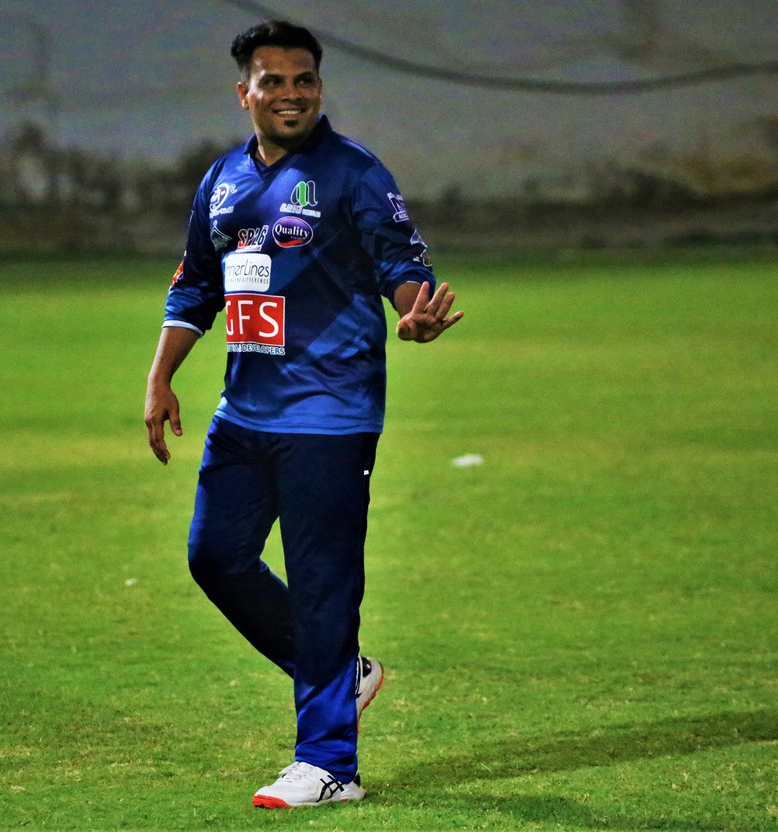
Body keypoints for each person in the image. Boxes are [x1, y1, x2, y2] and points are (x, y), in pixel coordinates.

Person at [144, 19, 463, 809]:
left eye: (304, 80)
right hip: (243, 413)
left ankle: (329, 766)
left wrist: (413, 311)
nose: (291, 94)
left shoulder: (354, 172)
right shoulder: (222, 178)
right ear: (245, 92)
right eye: (274, 81)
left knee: (324, 586)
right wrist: (161, 377)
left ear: (319, 87)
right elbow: (197, 284)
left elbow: (401, 261)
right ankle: (342, 672)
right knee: (215, 558)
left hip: (330, 413)